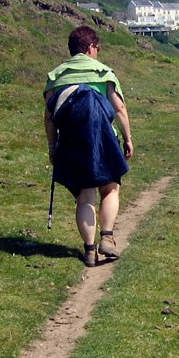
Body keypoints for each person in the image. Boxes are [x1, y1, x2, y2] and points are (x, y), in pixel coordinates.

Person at [44, 25, 134, 267]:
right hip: (103, 138)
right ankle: (107, 237)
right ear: (91, 48)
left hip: (72, 140)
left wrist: (52, 146)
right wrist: (127, 138)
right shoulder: (103, 73)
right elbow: (119, 108)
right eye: (97, 47)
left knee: (85, 197)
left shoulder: (56, 76)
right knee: (110, 189)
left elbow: (49, 117)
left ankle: (89, 251)